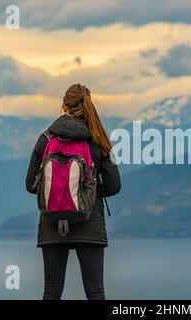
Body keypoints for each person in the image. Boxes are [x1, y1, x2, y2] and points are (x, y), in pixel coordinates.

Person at [25, 83, 121, 300]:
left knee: (52, 291)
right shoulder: (98, 139)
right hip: (90, 223)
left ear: (64, 106)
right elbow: (114, 186)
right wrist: (88, 193)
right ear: (89, 106)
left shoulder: (46, 139)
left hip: (52, 223)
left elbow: (31, 184)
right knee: (95, 292)